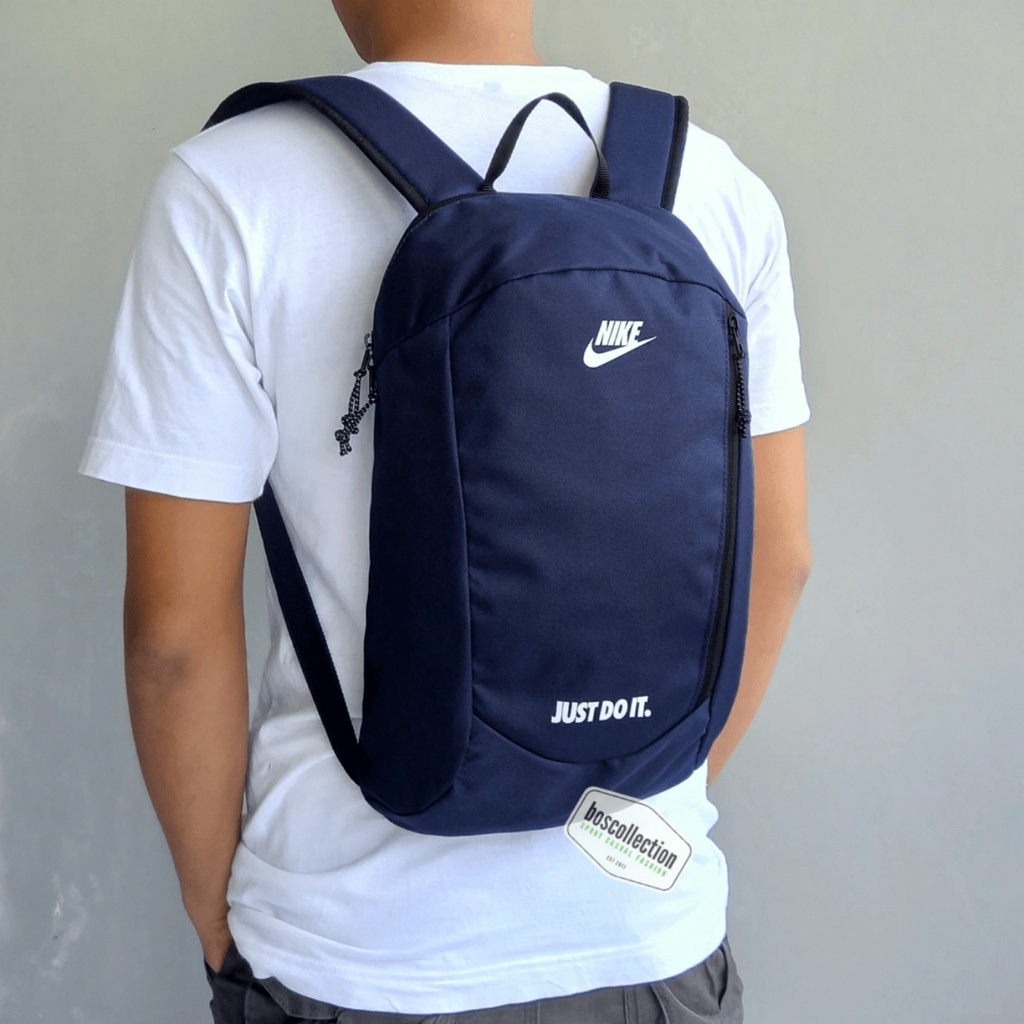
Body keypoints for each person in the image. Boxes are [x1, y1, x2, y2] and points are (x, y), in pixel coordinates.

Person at [80, 1, 811, 1021]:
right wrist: (621, 799)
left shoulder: (230, 184)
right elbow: (777, 561)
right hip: (650, 935)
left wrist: (221, 927)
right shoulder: (714, 182)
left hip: (354, 943)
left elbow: (175, 636)